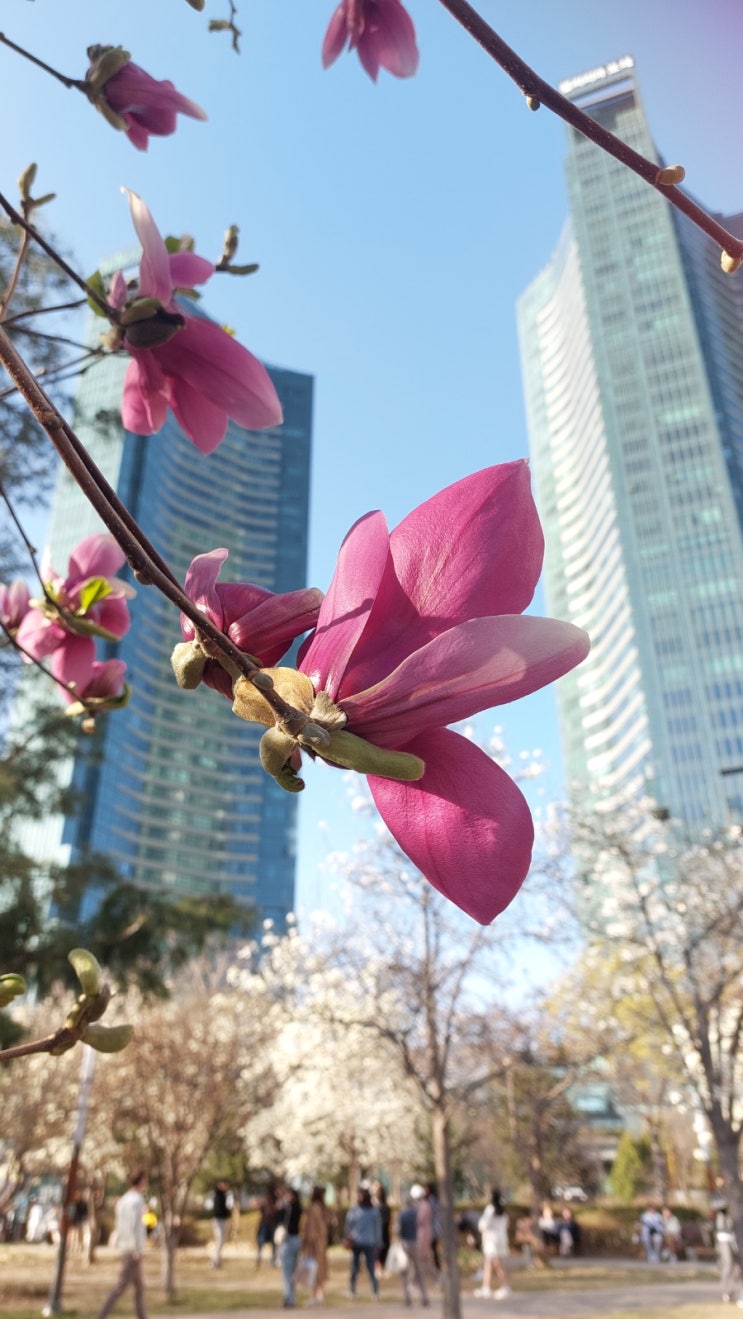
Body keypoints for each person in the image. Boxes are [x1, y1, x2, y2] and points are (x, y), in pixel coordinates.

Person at [95, 1170, 149, 1319]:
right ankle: (101, 1315)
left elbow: (120, 1224)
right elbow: (134, 1226)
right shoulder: (136, 1201)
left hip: (125, 1246)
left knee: (139, 1287)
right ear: (141, 1181)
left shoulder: (124, 1200)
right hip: (131, 1249)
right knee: (120, 1286)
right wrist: (137, 1249)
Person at [344, 1187, 382, 1299]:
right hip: (356, 1242)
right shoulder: (354, 1209)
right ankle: (352, 1290)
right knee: (354, 1268)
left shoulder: (374, 1211)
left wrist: (378, 1243)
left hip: (369, 1243)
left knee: (371, 1268)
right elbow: (348, 1225)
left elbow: (377, 1228)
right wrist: (347, 1237)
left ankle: (375, 1291)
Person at [475, 1189, 511, 1301]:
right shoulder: (502, 1210)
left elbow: (483, 1225)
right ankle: (486, 1287)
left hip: (492, 1241)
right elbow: (506, 1224)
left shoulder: (490, 1210)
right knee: (489, 1264)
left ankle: (505, 1286)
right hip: (501, 1239)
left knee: (496, 1264)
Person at [397, 1192, 429, 1307]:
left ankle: (406, 1297)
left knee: (404, 1272)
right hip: (416, 1243)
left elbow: (398, 1230)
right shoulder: (416, 1213)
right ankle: (424, 1295)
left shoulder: (402, 1214)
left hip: (405, 1243)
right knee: (419, 1271)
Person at [301, 1186, 329, 1304]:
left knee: (316, 1271)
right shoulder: (321, 1208)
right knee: (319, 1270)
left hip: (315, 1245)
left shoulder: (314, 1209)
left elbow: (313, 1229)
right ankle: (319, 1295)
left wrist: (309, 1244)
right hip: (320, 1244)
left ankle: (317, 1295)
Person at [714, 1196, 743, 1306]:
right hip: (724, 1237)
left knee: (738, 1267)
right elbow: (718, 1205)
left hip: (736, 1237)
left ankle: (737, 1293)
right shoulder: (724, 1203)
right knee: (728, 1263)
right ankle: (725, 1292)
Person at [278, 1187, 303, 1308]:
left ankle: (289, 1298)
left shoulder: (288, 1208)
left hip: (288, 1240)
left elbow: (279, 1219)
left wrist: (280, 1208)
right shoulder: (299, 1208)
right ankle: (291, 1297)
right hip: (297, 1240)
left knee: (287, 1272)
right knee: (292, 1271)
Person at [211, 1179, 232, 1268]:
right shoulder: (217, 1195)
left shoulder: (224, 1195)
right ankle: (215, 1260)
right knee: (219, 1240)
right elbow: (219, 1209)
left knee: (222, 1240)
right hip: (218, 1220)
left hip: (223, 1219)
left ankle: (217, 1259)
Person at [256, 1188, 279, 1268]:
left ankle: (273, 1259)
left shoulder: (275, 1204)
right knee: (261, 1242)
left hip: (271, 1225)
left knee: (273, 1243)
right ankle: (259, 1258)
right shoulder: (266, 1204)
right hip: (265, 1224)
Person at [373, 1183, 391, 1273]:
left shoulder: (379, 1207)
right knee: (381, 1248)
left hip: (381, 1231)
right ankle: (379, 1265)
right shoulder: (381, 1207)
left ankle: (380, 1265)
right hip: (382, 1231)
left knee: (381, 1248)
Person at [424, 1183, 442, 1274]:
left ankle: (434, 1268)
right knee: (433, 1249)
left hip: (431, 1228)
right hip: (433, 1228)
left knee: (431, 1248)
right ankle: (435, 1267)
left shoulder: (430, 1201)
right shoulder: (434, 1200)